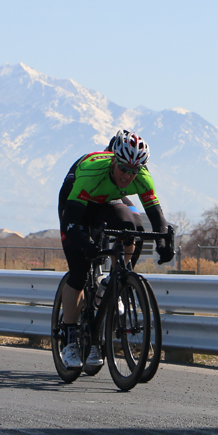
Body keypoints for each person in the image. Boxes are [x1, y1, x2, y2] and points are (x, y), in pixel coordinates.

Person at [56, 131, 174, 369]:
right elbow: (72, 221)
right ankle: (69, 340)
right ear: (112, 160)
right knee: (79, 270)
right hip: (76, 203)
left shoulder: (140, 175)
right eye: (123, 169)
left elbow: (156, 216)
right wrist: (85, 245)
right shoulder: (92, 171)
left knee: (132, 226)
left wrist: (163, 242)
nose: (128, 175)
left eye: (134, 170)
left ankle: (115, 280)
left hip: (107, 200)